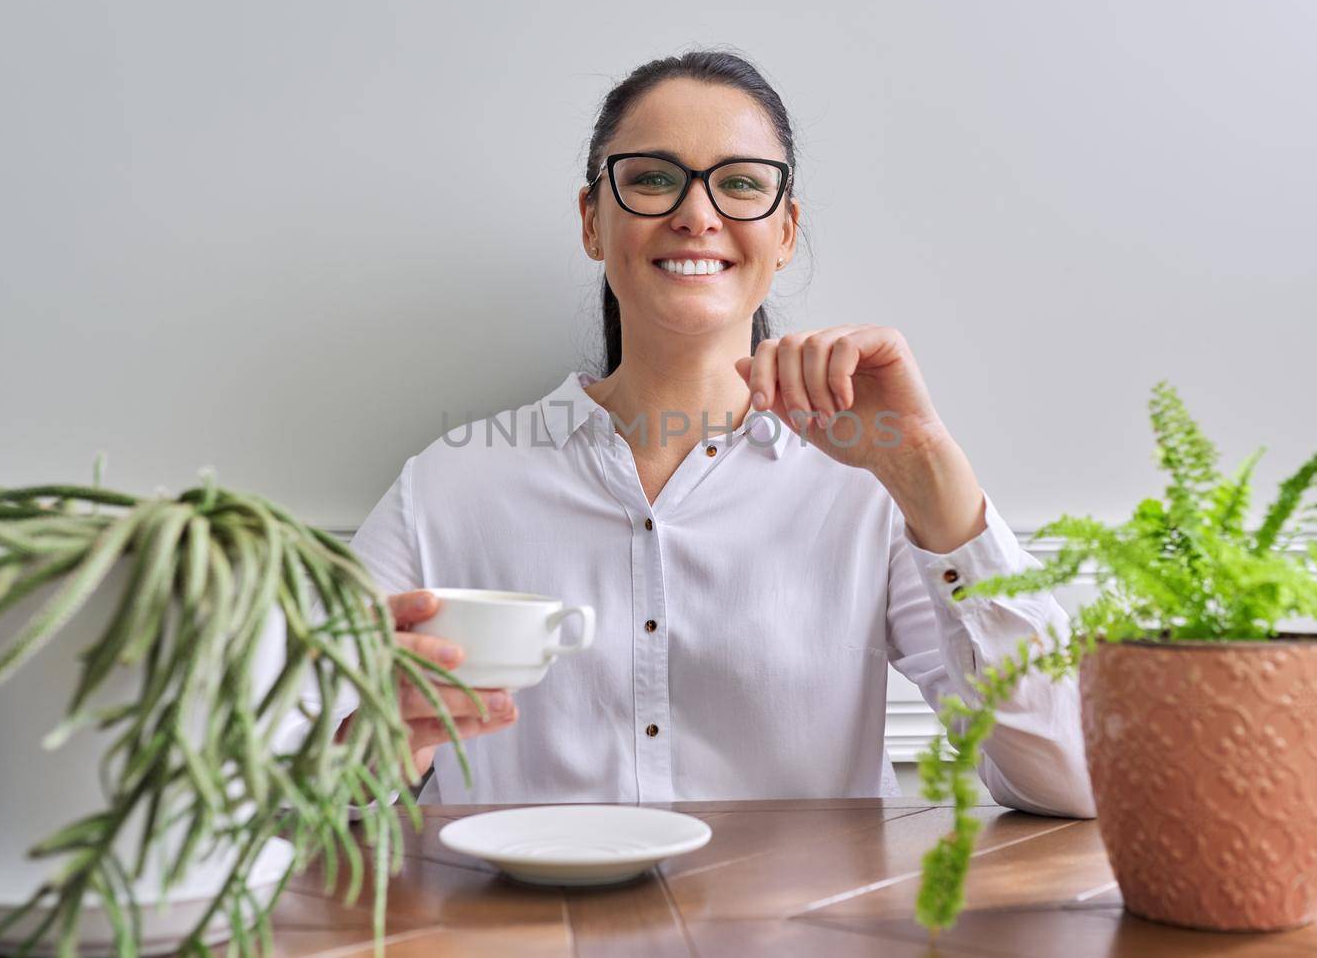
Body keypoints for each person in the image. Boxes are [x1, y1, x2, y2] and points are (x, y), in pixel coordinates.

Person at [339, 50, 1095, 814]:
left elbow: (1070, 776)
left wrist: (928, 467)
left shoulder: (870, 488)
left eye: (739, 183)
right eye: (653, 178)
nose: (697, 214)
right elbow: (297, 768)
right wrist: (370, 761)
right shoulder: (448, 487)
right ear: (591, 221)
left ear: (786, 230)